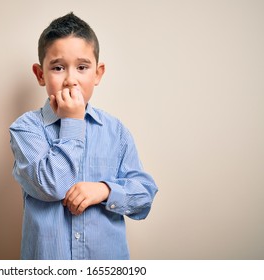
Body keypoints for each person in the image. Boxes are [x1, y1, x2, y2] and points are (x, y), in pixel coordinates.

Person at [9, 12, 158, 260]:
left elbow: (144, 196)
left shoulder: (116, 131)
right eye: (58, 67)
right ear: (40, 74)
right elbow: (53, 186)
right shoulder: (26, 129)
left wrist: (105, 191)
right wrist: (72, 122)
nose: (70, 79)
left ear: (97, 74)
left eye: (82, 67)